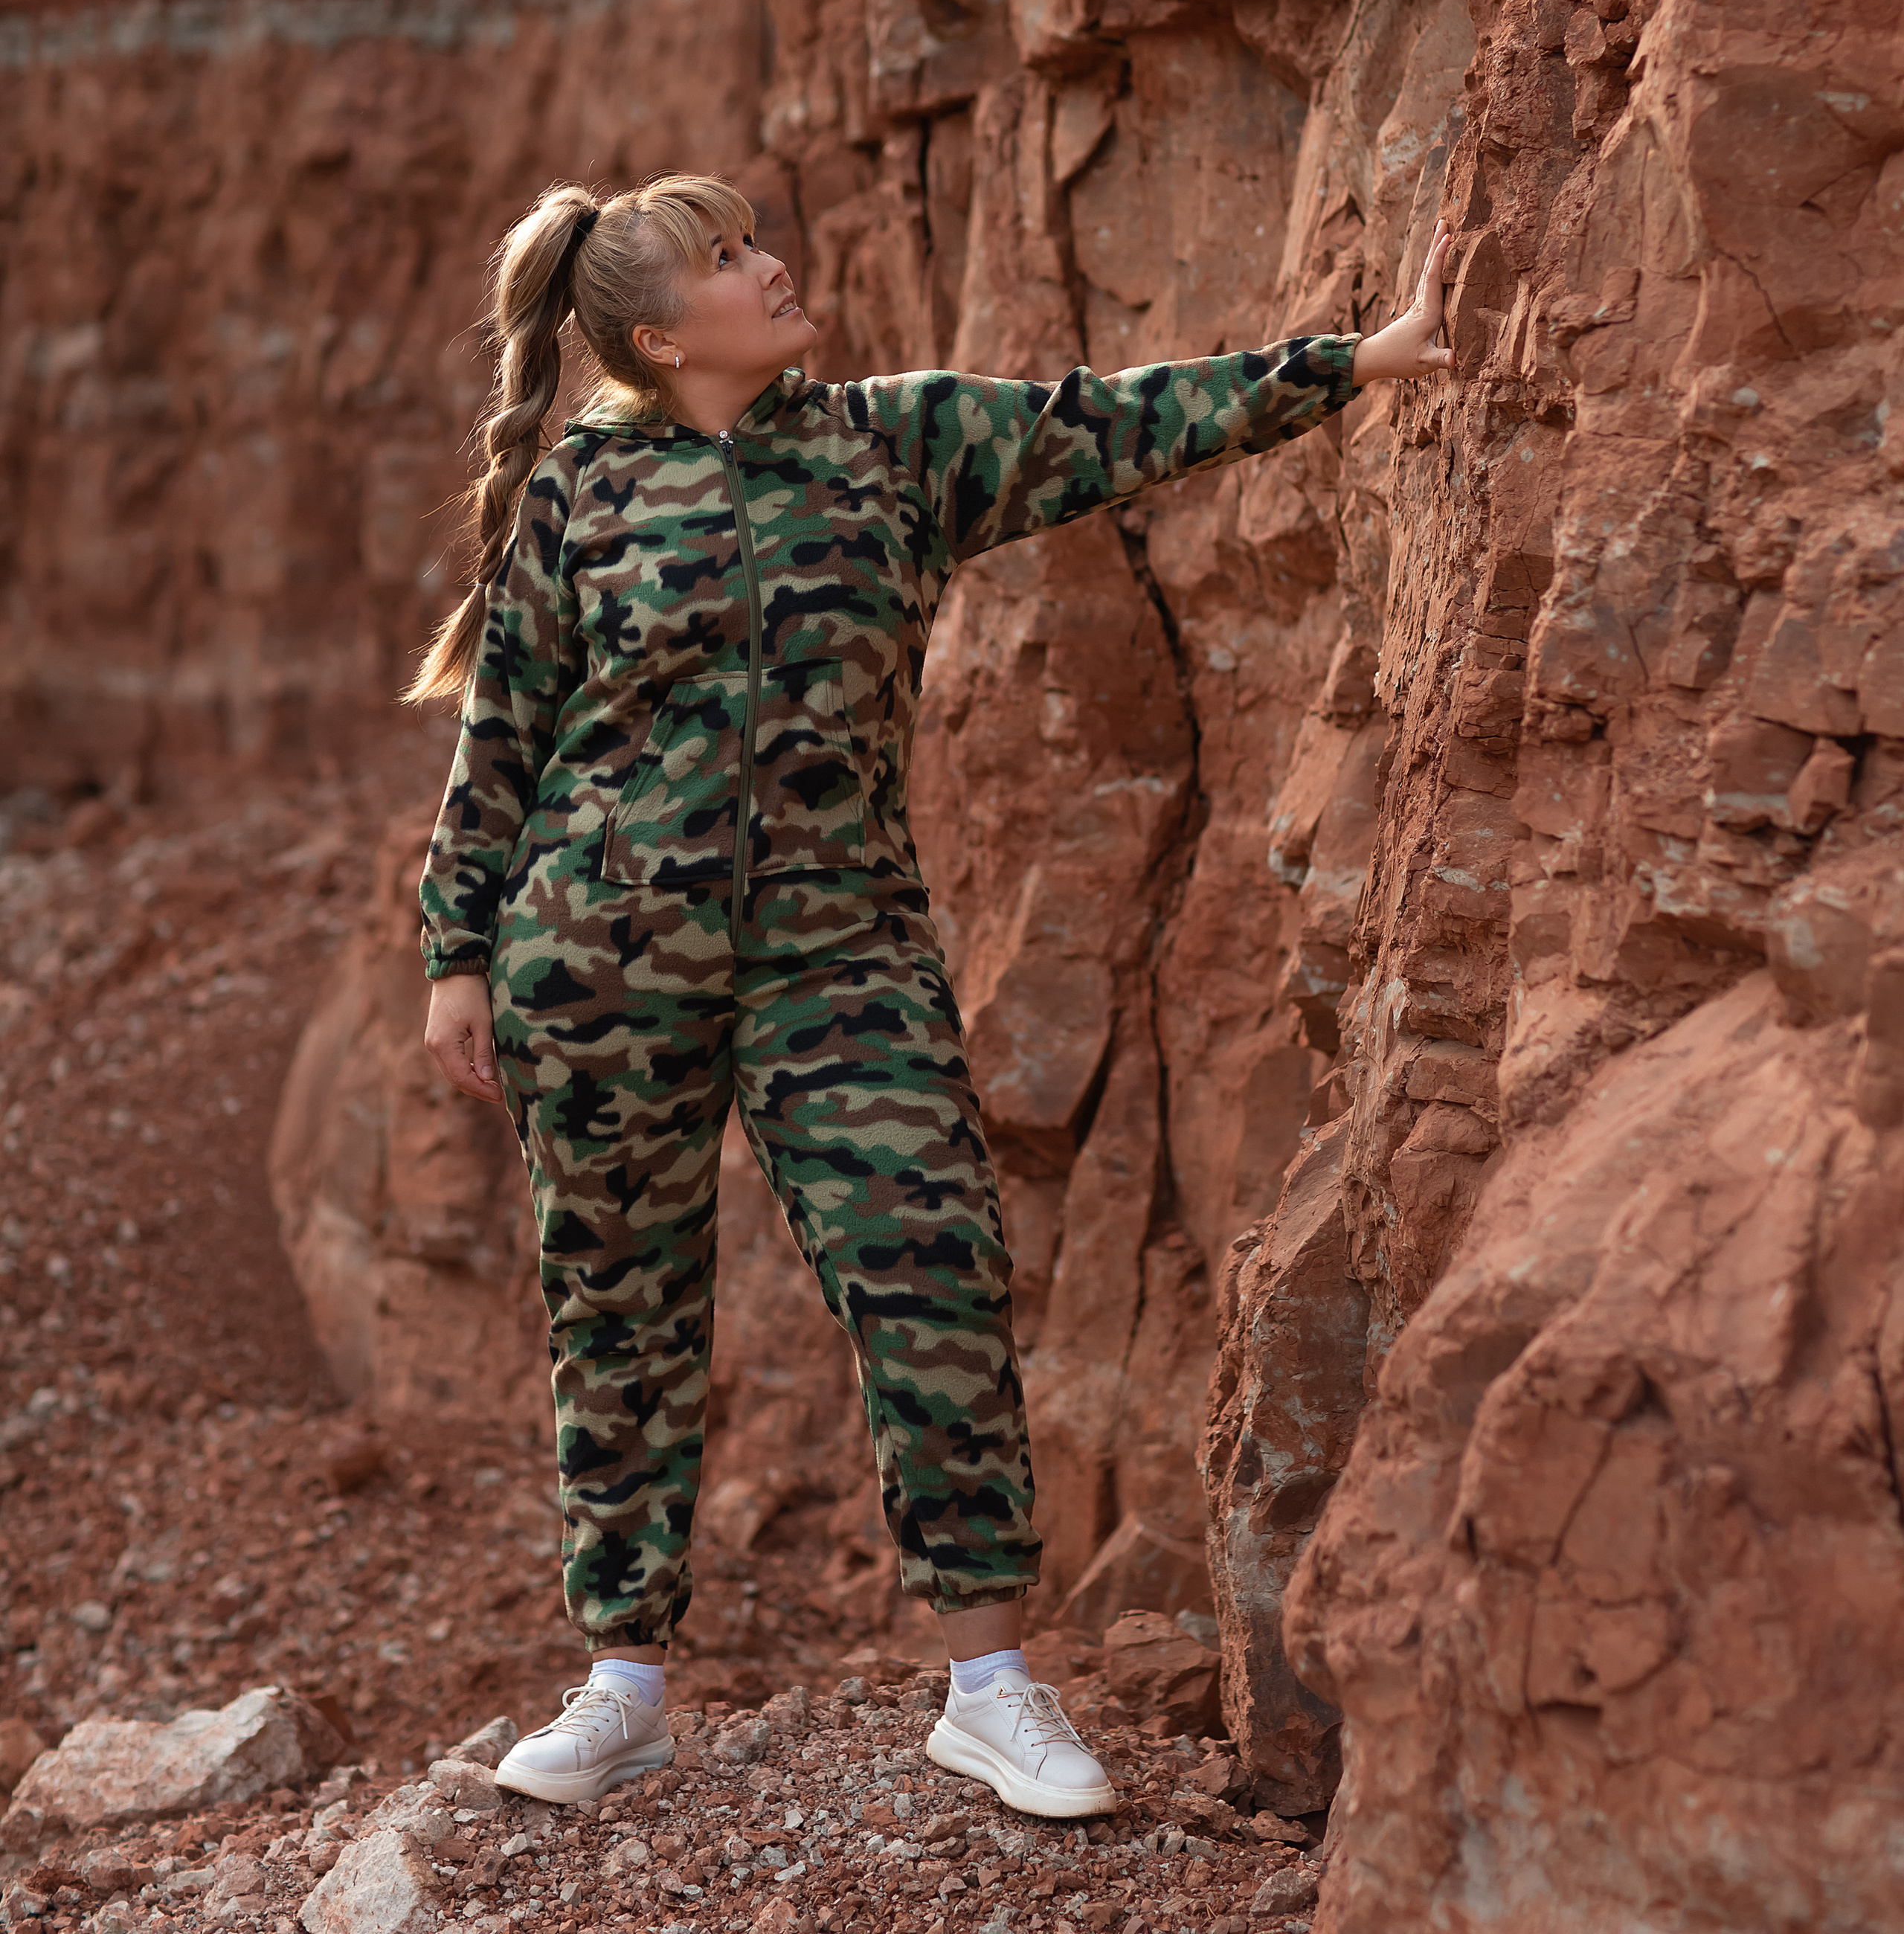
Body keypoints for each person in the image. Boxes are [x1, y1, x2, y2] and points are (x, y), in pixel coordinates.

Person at [411, 173, 1453, 1818]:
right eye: (730, 257)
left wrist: (1356, 364)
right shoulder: (581, 498)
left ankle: (987, 1687)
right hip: (597, 965)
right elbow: (506, 741)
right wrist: (457, 955)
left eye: (758, 238)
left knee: (928, 1269)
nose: (774, 265)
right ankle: (623, 1682)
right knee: (620, 1318)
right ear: (661, 334)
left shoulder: (893, 445)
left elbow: (1108, 421)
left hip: (841, 957)